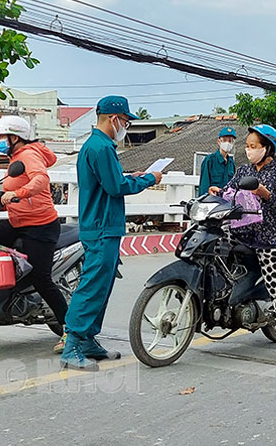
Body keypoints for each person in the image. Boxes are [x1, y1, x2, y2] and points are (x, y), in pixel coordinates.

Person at [59, 96, 163, 371]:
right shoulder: (102, 147)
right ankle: (73, 344)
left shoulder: (97, 146)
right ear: (113, 119)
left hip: (102, 225)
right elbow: (116, 187)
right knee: (93, 286)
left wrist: (133, 175)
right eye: (126, 121)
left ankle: (88, 340)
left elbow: (111, 180)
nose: (126, 127)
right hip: (102, 226)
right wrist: (149, 179)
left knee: (102, 286)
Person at [209, 125, 276, 365]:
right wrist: (218, 192)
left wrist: (265, 193)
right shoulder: (244, 169)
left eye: (253, 146)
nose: (248, 150)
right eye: (247, 146)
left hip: (269, 237)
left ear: (267, 148)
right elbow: (230, 192)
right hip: (242, 232)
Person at [0, 115, 67, 352]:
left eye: (2, 137)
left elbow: (41, 179)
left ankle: (71, 329)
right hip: (19, 221)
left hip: (40, 226)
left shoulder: (28, 155)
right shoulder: (16, 157)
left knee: (42, 279)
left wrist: (20, 193)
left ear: (15, 137)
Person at [198, 127, 237, 197]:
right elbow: (204, 187)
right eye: (225, 140)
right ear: (219, 141)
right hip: (212, 202)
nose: (227, 143)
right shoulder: (209, 161)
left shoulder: (231, 163)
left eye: (230, 141)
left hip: (227, 202)